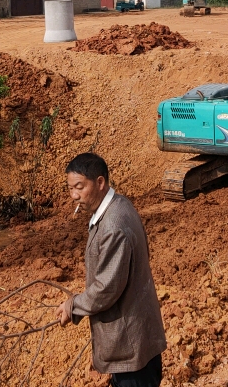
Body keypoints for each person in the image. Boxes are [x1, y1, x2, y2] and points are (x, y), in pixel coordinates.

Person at [55, 153, 166, 387]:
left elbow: (107, 288)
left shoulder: (114, 226)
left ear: (100, 183)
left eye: (79, 187)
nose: (74, 195)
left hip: (131, 347)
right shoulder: (118, 205)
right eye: (70, 188)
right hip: (133, 340)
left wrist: (72, 305)